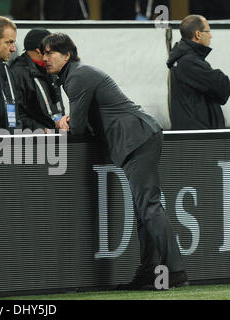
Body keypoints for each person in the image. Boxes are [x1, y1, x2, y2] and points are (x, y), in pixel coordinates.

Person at [41, 33, 188, 290]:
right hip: (138, 137)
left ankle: (175, 272)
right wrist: (69, 120)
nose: (45, 58)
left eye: (50, 53)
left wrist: (64, 122)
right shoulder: (74, 75)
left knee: (149, 207)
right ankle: (148, 272)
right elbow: (84, 121)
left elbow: (77, 127)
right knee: (145, 210)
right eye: (43, 53)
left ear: (66, 55)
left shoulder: (76, 77)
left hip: (137, 139)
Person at [166, 15, 230, 130]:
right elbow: (222, 86)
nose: (210, 36)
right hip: (198, 138)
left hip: (196, 135)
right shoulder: (189, 62)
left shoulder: (183, 59)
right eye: (208, 31)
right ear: (198, 34)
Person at [10, 28, 66, 132]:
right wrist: (41, 129)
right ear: (39, 51)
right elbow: (16, 114)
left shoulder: (49, 68)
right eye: (50, 51)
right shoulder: (18, 73)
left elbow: (56, 105)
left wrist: (62, 121)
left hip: (54, 132)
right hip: (35, 139)